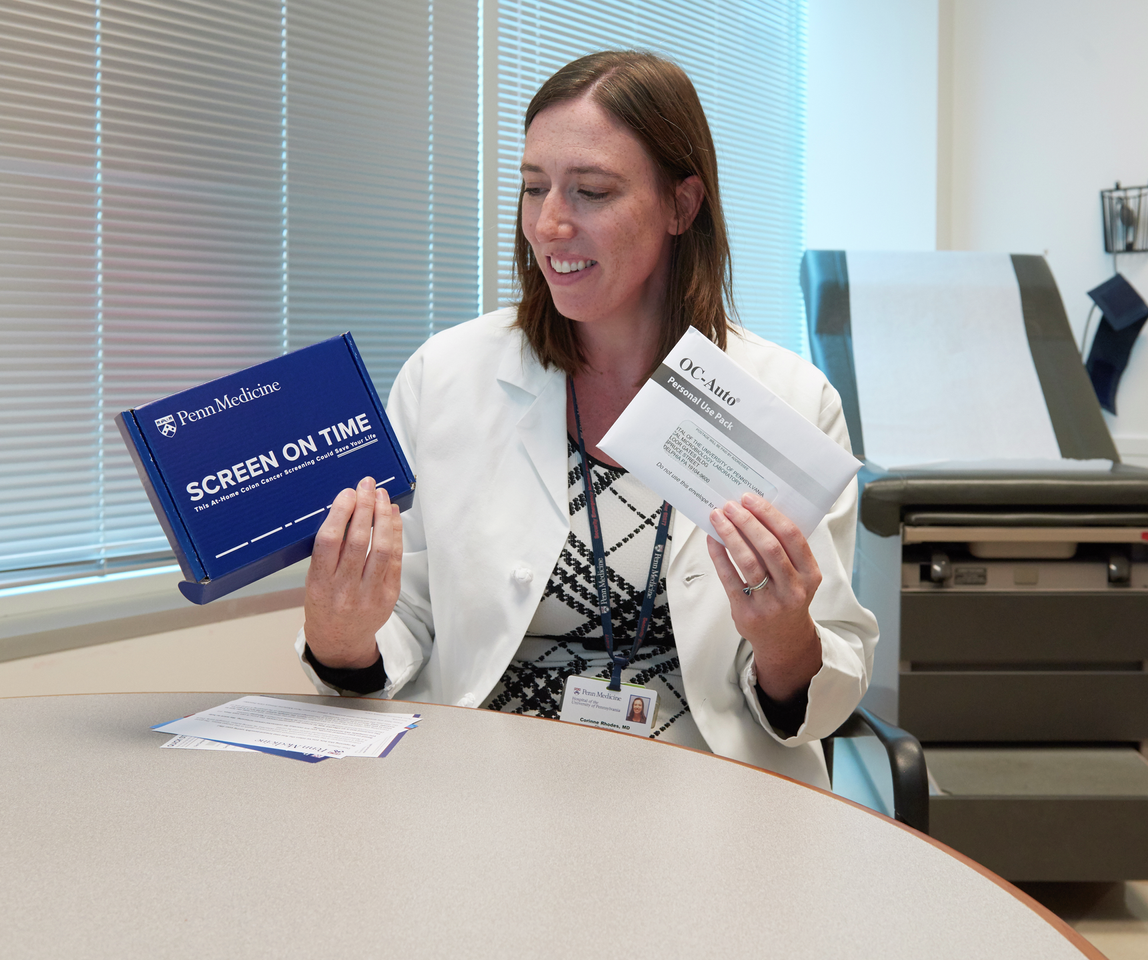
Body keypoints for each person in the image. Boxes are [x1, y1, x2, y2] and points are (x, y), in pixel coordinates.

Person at [296, 50, 877, 788]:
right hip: (480, 788)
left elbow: (827, 684)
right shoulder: (447, 376)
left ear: (681, 205)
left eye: (592, 192)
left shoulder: (789, 400)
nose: (549, 224)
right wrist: (341, 635)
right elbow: (401, 629)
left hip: (706, 794)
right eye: (534, 188)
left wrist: (784, 636)